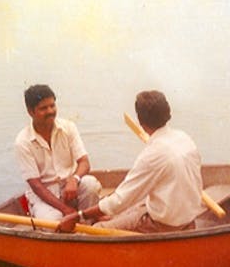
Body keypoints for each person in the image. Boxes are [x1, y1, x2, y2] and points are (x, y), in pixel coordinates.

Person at [57, 90, 205, 233]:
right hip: (186, 217)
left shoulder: (152, 154)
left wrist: (79, 215)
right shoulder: (184, 138)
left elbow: (120, 200)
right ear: (168, 113)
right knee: (120, 212)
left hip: (163, 224)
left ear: (140, 121)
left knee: (97, 230)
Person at [14, 84, 101, 223]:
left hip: (70, 188)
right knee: (53, 221)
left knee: (91, 185)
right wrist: (65, 210)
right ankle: (77, 221)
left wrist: (74, 179)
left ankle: (87, 226)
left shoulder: (68, 127)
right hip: (45, 197)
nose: (50, 111)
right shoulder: (23, 142)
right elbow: (36, 185)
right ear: (30, 112)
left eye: (52, 106)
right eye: (43, 108)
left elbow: (84, 162)